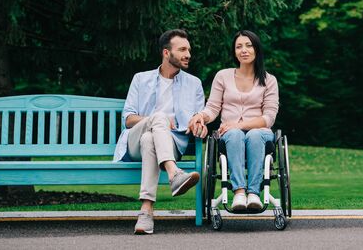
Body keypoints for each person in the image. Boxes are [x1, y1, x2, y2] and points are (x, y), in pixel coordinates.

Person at [113, 29, 207, 234]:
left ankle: (146, 211)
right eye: (182, 49)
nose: (188, 54)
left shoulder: (194, 84)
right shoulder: (140, 79)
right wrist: (158, 120)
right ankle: (174, 174)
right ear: (166, 53)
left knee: (150, 140)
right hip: (133, 143)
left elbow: (198, 117)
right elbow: (128, 119)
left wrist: (199, 124)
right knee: (156, 121)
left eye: (189, 50)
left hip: (172, 144)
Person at [187, 30, 279, 211]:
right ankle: (239, 193)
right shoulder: (223, 76)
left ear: (256, 49)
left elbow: (268, 118)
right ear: (234, 52)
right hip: (230, 135)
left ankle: (253, 193)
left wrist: (239, 124)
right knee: (235, 134)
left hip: (260, 134)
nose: (243, 50)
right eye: (239, 46)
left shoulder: (269, 80)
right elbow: (213, 108)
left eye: (248, 45)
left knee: (253, 135)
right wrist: (201, 116)